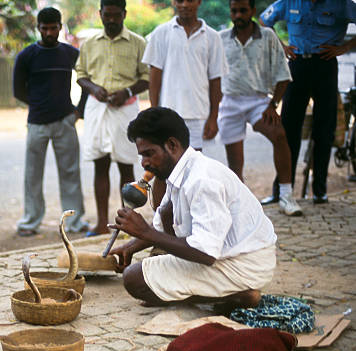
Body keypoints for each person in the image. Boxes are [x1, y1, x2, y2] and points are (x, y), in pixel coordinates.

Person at [109, 107, 277, 310]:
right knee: (166, 214)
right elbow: (163, 225)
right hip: (229, 256)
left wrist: (145, 231)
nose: (144, 163)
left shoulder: (202, 180)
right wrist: (130, 247)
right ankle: (211, 292)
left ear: (172, 145)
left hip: (245, 265)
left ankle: (240, 295)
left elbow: (205, 253)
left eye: (149, 154)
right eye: (141, 156)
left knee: (134, 279)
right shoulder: (180, 170)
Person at [260, 0, 356, 205]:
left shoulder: (341, 4)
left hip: (325, 65)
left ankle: (320, 191)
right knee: (287, 130)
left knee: (325, 129)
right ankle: (282, 191)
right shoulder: (289, 2)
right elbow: (263, 21)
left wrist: (344, 48)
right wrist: (281, 46)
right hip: (297, 65)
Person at [218, 0, 302, 216]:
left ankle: (286, 195)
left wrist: (272, 104)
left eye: (243, 11)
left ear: (253, 12)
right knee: (235, 161)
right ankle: (239, 204)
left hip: (258, 100)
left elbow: (284, 76)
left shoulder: (267, 37)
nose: (238, 15)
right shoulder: (221, 39)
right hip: (230, 102)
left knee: (279, 135)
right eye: (234, 11)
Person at [142, 0, 226, 209]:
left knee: (191, 172)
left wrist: (213, 117)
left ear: (198, 2)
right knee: (162, 171)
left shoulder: (213, 37)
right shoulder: (160, 33)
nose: (185, 4)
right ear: (173, 2)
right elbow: (155, 79)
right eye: (180, 0)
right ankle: (159, 225)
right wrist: (155, 115)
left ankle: (186, 223)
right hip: (167, 116)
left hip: (198, 116)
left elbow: (216, 81)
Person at [75, 0, 149, 236]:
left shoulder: (138, 42)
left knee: (126, 166)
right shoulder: (90, 43)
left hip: (126, 110)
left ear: (124, 14)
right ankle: (100, 224)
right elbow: (81, 75)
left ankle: (124, 224)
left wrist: (126, 92)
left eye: (117, 15)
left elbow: (146, 77)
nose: (112, 20)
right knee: (100, 164)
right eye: (108, 15)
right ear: (101, 14)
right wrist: (94, 89)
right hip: (97, 108)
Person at [12, 7, 87, 237]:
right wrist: (38, 105)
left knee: (70, 173)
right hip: (36, 123)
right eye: (44, 28)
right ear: (38, 29)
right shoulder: (26, 56)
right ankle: (30, 221)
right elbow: (18, 91)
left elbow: (86, 81)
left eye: (53, 28)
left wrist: (78, 111)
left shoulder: (70, 53)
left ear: (60, 27)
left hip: (66, 120)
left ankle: (74, 223)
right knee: (32, 174)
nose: (49, 32)